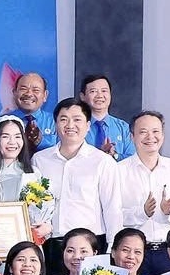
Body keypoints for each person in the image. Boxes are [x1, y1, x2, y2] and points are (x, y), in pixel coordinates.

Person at [110, 112, 170, 275]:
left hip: (168, 252)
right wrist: (143, 212)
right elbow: (113, 214)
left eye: (155, 131)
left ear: (162, 135)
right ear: (132, 136)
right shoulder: (118, 171)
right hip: (133, 255)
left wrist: (169, 213)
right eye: (143, 132)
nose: (150, 137)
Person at [31, 99, 121, 250]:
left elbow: (112, 208)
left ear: (88, 125)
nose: (70, 125)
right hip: (51, 243)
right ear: (55, 124)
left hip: (90, 244)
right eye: (63, 120)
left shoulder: (103, 162)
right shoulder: (40, 160)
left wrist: (112, 247)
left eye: (77, 119)